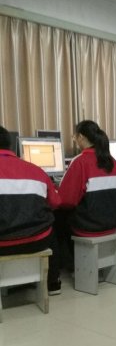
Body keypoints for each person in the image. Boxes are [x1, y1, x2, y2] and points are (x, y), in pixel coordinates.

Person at [0, 125, 62, 294]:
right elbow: (56, 203)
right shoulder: (37, 170)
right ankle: (53, 283)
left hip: (2, 244)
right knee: (52, 227)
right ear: (10, 145)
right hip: (36, 241)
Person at [56, 120, 116, 265]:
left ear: (81, 137)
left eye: (74, 137)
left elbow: (66, 200)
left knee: (56, 217)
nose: (74, 140)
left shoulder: (80, 161)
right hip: (113, 223)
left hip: (90, 226)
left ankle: (68, 265)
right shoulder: (112, 161)